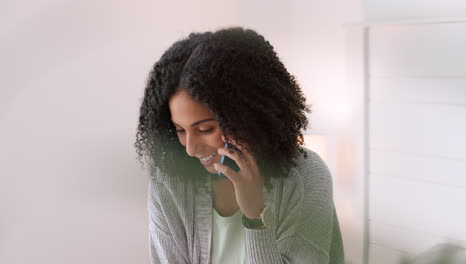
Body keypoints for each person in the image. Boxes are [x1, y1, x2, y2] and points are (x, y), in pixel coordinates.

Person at [135, 26, 344, 264]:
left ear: (246, 117)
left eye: (205, 129)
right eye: (180, 130)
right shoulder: (168, 183)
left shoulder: (305, 176)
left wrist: (255, 217)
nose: (191, 149)